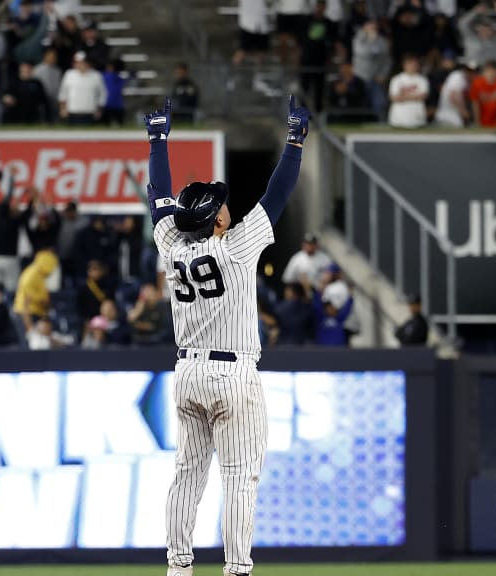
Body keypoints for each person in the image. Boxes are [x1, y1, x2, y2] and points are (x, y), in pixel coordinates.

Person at [147, 95, 307, 576]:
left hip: (188, 370)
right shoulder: (236, 247)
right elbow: (277, 196)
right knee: (239, 476)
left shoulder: (172, 246)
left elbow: (159, 198)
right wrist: (295, 141)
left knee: (187, 474)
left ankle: (178, 567)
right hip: (232, 371)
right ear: (217, 219)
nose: (228, 206)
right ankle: (237, 569)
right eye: (221, 204)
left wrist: (157, 139)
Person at [300, 0, 338, 112]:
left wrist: (329, 59)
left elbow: (332, 43)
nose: (320, 8)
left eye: (322, 6)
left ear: (325, 7)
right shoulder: (306, 21)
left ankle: (318, 112)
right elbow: (301, 40)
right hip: (307, 59)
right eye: (318, 6)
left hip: (321, 61)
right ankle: (303, 112)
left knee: (319, 89)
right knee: (305, 87)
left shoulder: (329, 23)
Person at [352, 20, 392, 121]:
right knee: (361, 103)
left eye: (374, 28)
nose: (373, 31)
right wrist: (371, 41)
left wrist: (383, 74)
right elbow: (363, 53)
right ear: (364, 28)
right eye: (370, 28)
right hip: (359, 78)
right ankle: (359, 124)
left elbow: (386, 60)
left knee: (379, 103)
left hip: (376, 78)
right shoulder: (358, 39)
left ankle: (380, 124)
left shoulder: (382, 41)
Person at [13, 249, 58, 331]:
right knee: (33, 339)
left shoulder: (39, 275)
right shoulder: (32, 273)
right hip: (28, 314)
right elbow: (27, 296)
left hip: (36, 312)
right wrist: (43, 300)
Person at [58, 51, 105, 125]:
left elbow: (102, 93)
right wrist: (62, 108)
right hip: (73, 112)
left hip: (90, 112)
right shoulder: (69, 74)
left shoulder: (96, 75)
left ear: (87, 63)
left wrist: (99, 109)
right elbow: (63, 93)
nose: (80, 64)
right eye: (77, 62)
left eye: (82, 62)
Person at [388, 53, 430, 128]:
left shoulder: (422, 80)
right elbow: (394, 97)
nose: (412, 66)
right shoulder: (396, 79)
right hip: (398, 120)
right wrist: (414, 96)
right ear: (404, 65)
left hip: (417, 120)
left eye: (414, 63)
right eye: (409, 63)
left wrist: (403, 96)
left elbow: (423, 96)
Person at [469, 60, 496, 128]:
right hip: (482, 119)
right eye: (488, 71)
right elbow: (475, 105)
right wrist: (478, 123)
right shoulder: (477, 83)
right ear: (484, 72)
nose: (491, 74)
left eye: (493, 71)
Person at [77, 259, 118, 325]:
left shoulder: (109, 285)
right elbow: (81, 308)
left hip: (105, 320)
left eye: (95, 269)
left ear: (102, 271)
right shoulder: (84, 288)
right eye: (90, 270)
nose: (93, 272)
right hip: (90, 320)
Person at [435, 60, 474, 127]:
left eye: (472, 71)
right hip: (448, 115)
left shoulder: (466, 81)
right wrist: (463, 111)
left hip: (451, 114)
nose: (470, 73)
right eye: (468, 70)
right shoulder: (458, 76)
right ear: (463, 69)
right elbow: (453, 95)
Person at [33, 48, 63, 121]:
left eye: (54, 57)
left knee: (55, 118)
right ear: (45, 56)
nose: (52, 58)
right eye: (50, 56)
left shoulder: (57, 70)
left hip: (55, 99)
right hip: (43, 99)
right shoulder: (38, 69)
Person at [102, 58, 127, 125]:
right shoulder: (121, 78)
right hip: (117, 105)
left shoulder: (105, 76)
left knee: (105, 127)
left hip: (107, 105)